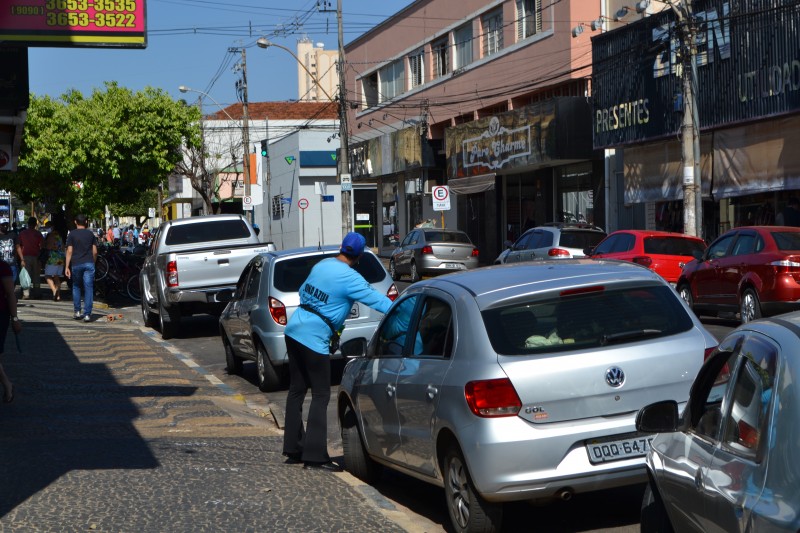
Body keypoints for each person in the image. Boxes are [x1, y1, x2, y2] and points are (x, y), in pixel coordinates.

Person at [282, 232, 393, 471]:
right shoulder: (351, 278)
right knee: (321, 395)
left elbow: (303, 291)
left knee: (297, 390)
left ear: (342, 248)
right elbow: (378, 301)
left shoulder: (323, 265)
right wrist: (403, 309)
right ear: (360, 255)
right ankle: (315, 457)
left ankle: (293, 448)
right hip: (314, 337)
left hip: (293, 329)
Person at [65, 214, 98, 322]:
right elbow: (95, 251)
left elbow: (69, 251)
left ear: (75, 222)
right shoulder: (90, 234)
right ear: (86, 222)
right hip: (89, 263)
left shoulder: (72, 235)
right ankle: (87, 314)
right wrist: (93, 261)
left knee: (76, 286)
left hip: (76, 263)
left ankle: (77, 311)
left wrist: (67, 266)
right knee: (89, 288)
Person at [0, 258, 23, 403]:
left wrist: (15, 319)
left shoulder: (3, 267)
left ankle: (7, 384)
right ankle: (7, 384)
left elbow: (10, 294)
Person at [17, 217, 44, 300]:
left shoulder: (22, 233)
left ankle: (26, 294)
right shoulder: (38, 233)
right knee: (36, 276)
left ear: (28, 224)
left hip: (25, 257)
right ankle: (37, 293)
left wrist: (21, 259)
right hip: (36, 257)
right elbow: (42, 245)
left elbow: (18, 245)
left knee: (26, 275)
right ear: (35, 224)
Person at [43, 227, 66, 301]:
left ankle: (54, 290)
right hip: (60, 259)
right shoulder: (60, 237)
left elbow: (49, 247)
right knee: (57, 277)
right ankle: (58, 296)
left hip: (53, 258)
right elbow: (63, 247)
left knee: (47, 275)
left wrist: (45, 245)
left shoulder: (51, 236)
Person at [0, 218, 20, 286]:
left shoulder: (13, 234)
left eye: (6, 224)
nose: (5, 226)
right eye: (3, 225)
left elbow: (18, 247)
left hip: (12, 263)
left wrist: (22, 259)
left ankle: (10, 293)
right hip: (1, 264)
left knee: (13, 280)